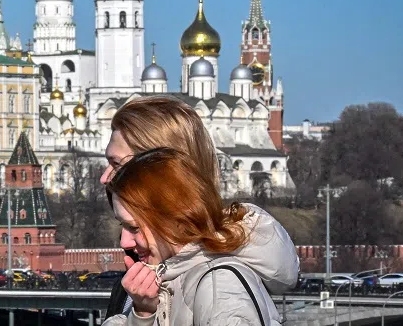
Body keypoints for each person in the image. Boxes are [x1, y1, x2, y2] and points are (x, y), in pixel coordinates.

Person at [100, 96, 298, 320]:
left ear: (165, 169)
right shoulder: (141, 276)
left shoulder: (218, 283)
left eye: (118, 165)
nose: (105, 177)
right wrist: (143, 315)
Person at [106, 147, 284, 325]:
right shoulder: (175, 278)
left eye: (134, 227)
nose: (124, 242)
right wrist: (143, 314)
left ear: (175, 218)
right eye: (123, 226)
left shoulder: (220, 287)